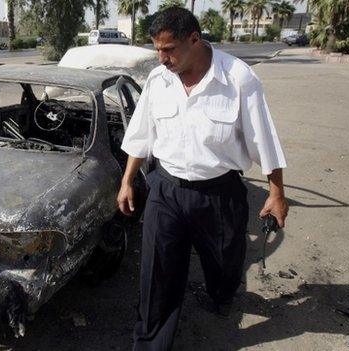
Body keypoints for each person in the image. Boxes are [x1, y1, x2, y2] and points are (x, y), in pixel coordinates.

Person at [117, 7, 288, 351]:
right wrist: (127, 180)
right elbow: (141, 135)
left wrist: (277, 192)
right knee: (157, 276)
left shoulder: (238, 79)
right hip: (166, 189)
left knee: (225, 264)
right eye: (157, 50)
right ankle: (151, 342)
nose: (162, 58)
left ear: (194, 39)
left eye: (169, 49)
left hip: (219, 193)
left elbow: (263, 141)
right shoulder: (158, 79)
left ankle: (222, 294)